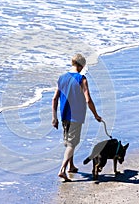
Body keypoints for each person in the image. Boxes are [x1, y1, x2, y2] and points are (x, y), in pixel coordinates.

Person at [52, 53, 102, 182]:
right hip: (76, 115)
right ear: (80, 66)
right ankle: (62, 170)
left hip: (64, 115)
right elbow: (88, 99)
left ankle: (71, 166)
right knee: (72, 143)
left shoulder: (61, 78)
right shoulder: (81, 79)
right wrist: (96, 115)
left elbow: (55, 98)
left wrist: (54, 117)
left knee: (69, 142)